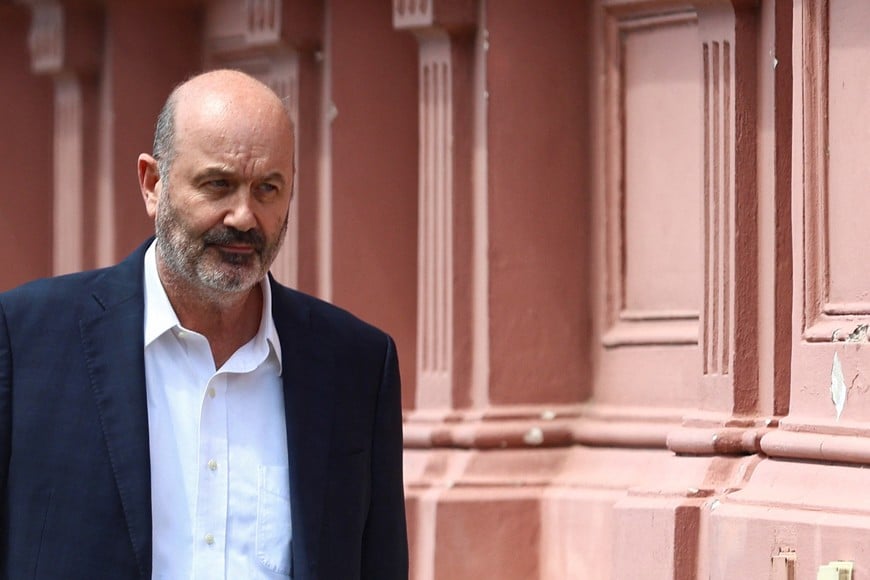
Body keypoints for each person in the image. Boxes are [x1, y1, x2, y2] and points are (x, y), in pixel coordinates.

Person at [0, 69, 408, 579]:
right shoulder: (25, 340)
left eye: (267, 189)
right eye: (219, 184)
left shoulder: (357, 367)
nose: (243, 216)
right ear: (153, 184)